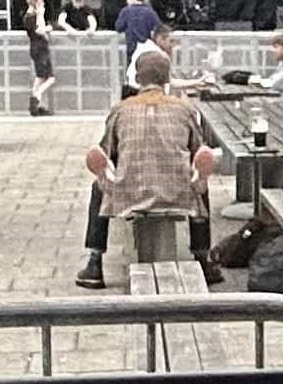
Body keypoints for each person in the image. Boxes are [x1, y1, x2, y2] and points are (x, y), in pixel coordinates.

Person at [76, 44, 221, 290]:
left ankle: (94, 262)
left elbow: (106, 153)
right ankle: (202, 257)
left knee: (98, 188)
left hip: (129, 193)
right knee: (201, 184)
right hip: (178, 193)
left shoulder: (120, 110)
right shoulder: (185, 109)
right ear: (167, 78)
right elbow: (199, 150)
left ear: (136, 78)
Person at [21, 0, 55, 117]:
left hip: (38, 48)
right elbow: (40, 30)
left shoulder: (31, 16)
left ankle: (34, 104)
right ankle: (36, 97)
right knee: (50, 78)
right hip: (39, 48)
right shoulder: (30, 17)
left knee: (40, 77)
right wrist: (43, 17)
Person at [114, 0, 161, 64]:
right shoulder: (150, 12)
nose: (127, 1)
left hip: (132, 47)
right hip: (146, 48)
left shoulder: (126, 11)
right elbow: (158, 27)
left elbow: (118, 27)